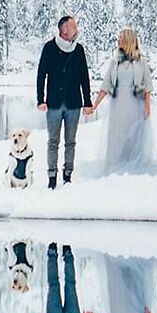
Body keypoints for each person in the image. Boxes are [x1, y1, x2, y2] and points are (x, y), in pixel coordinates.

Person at [35, 15, 94, 189]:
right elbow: (41, 75)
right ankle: (52, 177)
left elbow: (84, 78)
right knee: (53, 141)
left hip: (73, 103)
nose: (77, 29)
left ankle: (68, 175)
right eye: (74, 27)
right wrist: (41, 99)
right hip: (53, 103)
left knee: (71, 141)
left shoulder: (79, 50)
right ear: (64, 30)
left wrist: (87, 102)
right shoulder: (49, 48)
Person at [96, 28, 157, 176]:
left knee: (134, 134)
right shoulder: (115, 62)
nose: (118, 41)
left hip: (135, 103)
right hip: (118, 103)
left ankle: (133, 164)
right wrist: (95, 105)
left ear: (128, 41)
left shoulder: (141, 62)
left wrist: (148, 107)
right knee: (117, 134)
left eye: (121, 39)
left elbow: (147, 86)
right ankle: (115, 163)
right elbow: (106, 84)